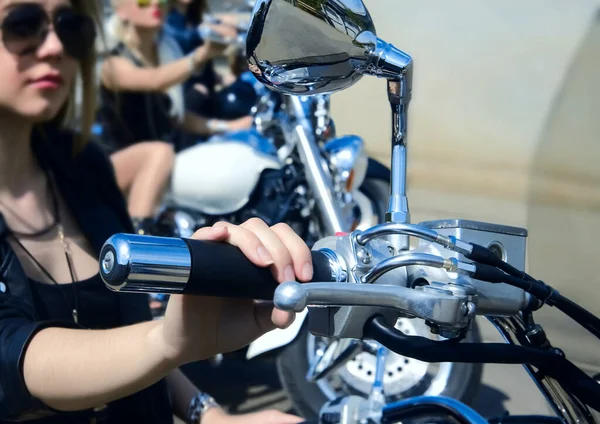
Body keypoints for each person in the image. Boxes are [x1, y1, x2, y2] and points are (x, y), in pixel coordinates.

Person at [0, 1, 312, 423]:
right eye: (23, 24)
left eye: (71, 25)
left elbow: (128, 337)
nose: (55, 46)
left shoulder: (83, 167)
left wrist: (213, 416)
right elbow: (18, 358)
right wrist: (168, 338)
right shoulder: (126, 66)